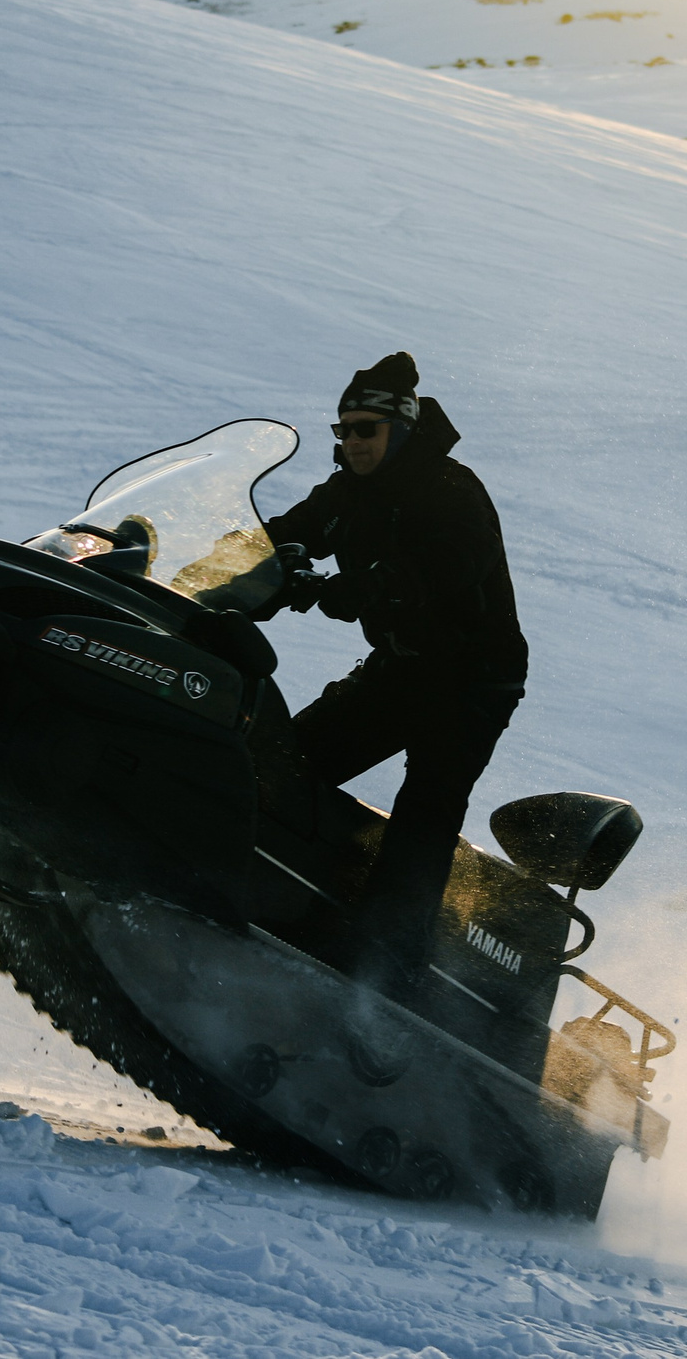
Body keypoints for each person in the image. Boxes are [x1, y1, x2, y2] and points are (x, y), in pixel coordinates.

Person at [264, 351, 529, 996]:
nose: (352, 442)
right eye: (343, 429)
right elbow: (285, 533)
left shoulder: (450, 490)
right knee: (283, 761)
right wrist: (224, 564)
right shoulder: (345, 495)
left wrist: (364, 588)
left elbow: (442, 570)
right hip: (402, 670)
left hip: (472, 682)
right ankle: (285, 895)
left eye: (366, 429)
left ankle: (387, 977)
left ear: (403, 427)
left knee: (426, 813)